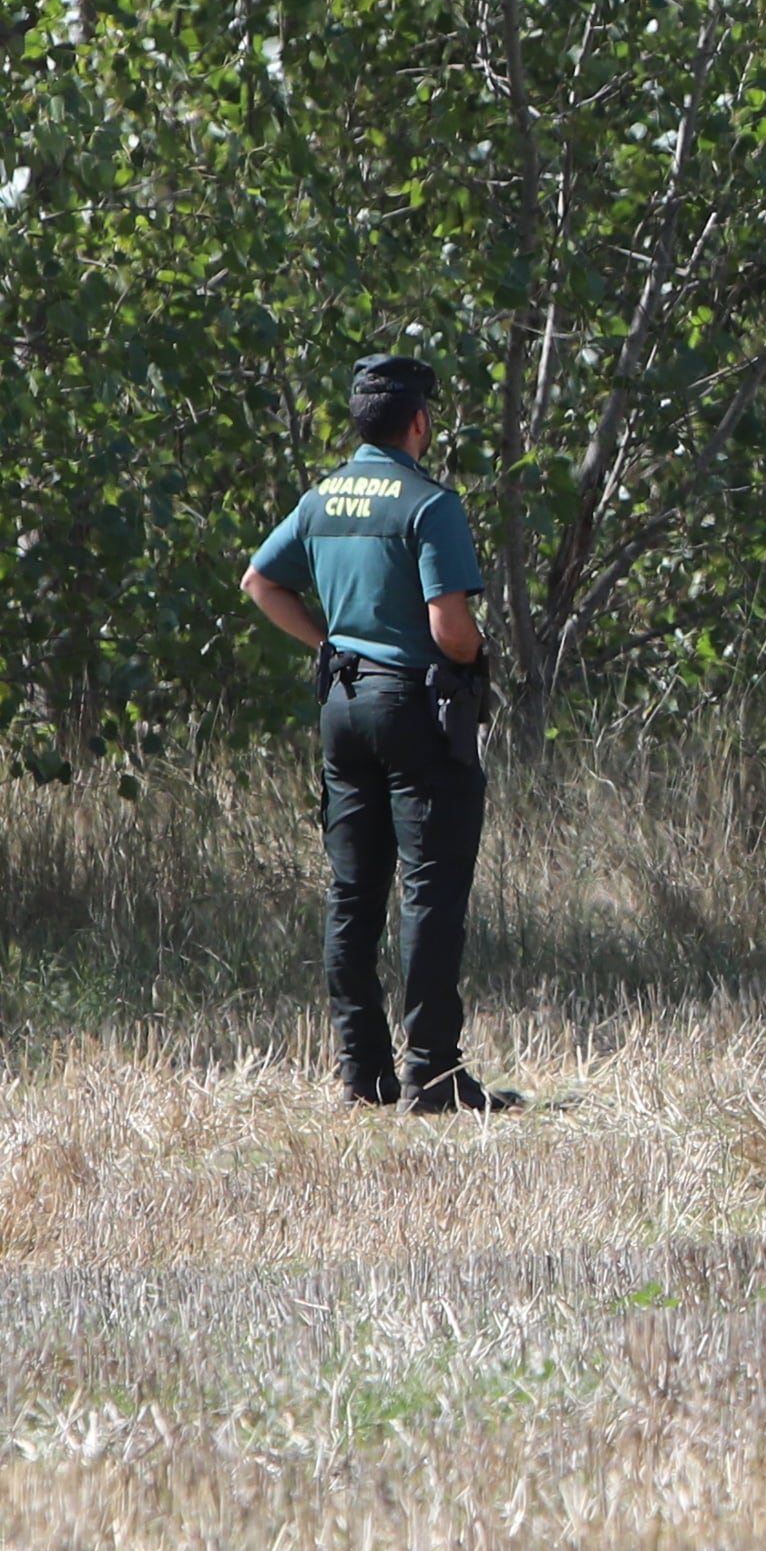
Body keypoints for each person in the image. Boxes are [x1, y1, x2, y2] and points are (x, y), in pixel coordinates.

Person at [239, 354, 517, 1111]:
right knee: (429, 889)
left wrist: (327, 643)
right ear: (419, 421)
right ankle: (433, 1074)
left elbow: (260, 581)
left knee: (353, 891)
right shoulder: (429, 504)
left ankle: (362, 1073)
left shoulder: (323, 498)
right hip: (416, 711)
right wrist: (478, 655)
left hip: (342, 704)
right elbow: (449, 629)